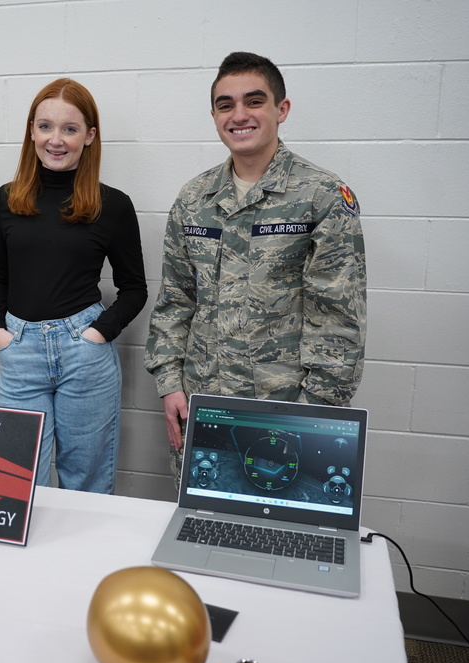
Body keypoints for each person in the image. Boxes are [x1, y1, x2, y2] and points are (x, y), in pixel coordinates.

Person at [145, 52, 367, 485]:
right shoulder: (195, 199)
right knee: (200, 531)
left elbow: (339, 322)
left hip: (286, 412)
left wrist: (311, 416)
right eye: (225, 104)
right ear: (213, 115)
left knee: (281, 535)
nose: (239, 115)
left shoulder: (321, 197)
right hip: (203, 406)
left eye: (254, 101)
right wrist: (170, 384)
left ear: (281, 110)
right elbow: (174, 301)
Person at [0, 79, 147, 494]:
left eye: (70, 129)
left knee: (86, 481)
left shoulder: (113, 205)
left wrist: (97, 335)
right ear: (31, 131)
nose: (55, 140)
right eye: (45, 127)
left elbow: (134, 288)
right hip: (19, 352)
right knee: (18, 484)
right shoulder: (5, 200)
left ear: (89, 136)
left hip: (85, 355)